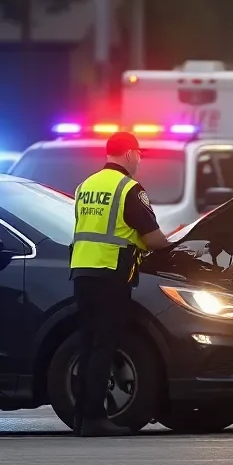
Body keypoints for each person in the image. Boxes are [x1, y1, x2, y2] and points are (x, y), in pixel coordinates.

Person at [71, 130, 170, 437]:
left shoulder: (85, 186)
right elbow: (152, 237)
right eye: (139, 154)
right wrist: (172, 247)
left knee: (87, 344)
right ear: (128, 154)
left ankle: (80, 416)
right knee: (105, 344)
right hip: (111, 273)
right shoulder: (128, 189)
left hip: (82, 271)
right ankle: (94, 417)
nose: (139, 160)